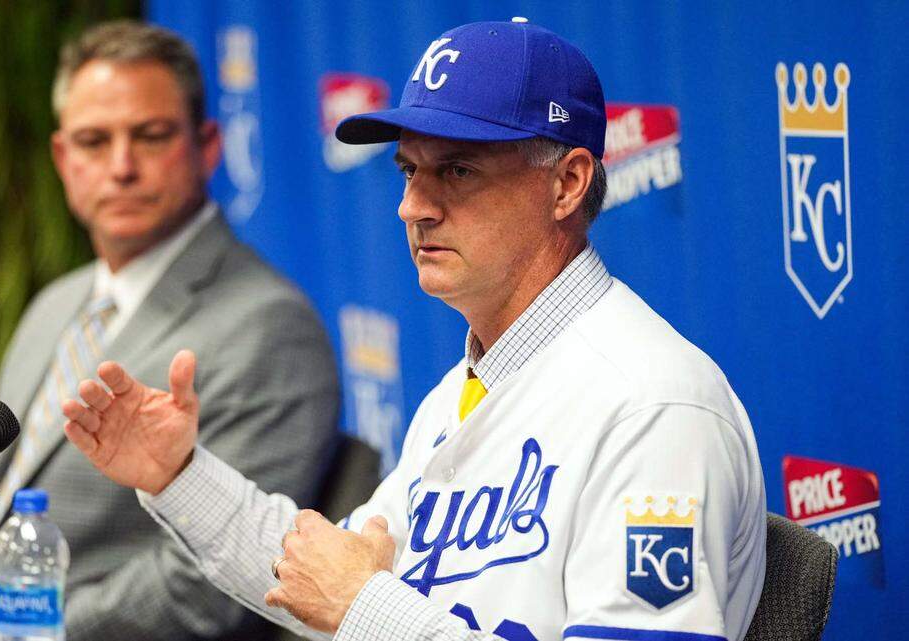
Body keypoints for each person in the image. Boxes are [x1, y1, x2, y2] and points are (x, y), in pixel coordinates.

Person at [62, 19, 766, 641]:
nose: (412, 206)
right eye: (408, 169)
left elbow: (350, 597)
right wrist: (178, 475)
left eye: (457, 170)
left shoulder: (655, 405)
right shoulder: (466, 388)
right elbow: (318, 572)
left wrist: (366, 608)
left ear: (567, 183)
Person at [0, 20, 340, 640]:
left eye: (151, 136)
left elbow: (208, 587)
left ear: (208, 145)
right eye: (93, 140)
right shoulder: (56, 303)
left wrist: (12, 636)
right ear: (63, 158)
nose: (121, 167)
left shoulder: (270, 328)